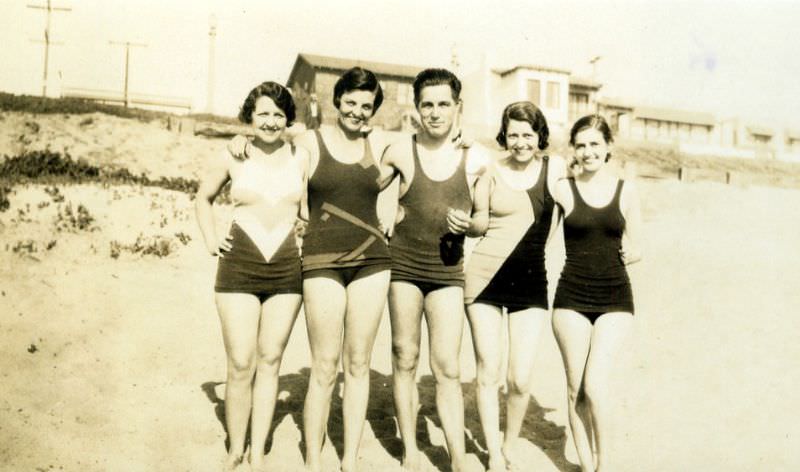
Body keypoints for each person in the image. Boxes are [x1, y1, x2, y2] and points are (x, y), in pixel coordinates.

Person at [229, 67, 393, 472]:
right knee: (323, 365)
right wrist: (240, 139)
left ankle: (350, 459)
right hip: (320, 260)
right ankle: (315, 460)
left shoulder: (386, 142)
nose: (357, 112)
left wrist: (460, 137)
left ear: (374, 109)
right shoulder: (307, 141)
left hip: (373, 260)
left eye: (366, 106)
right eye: (350, 103)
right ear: (336, 102)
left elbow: (431, 148)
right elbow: (267, 143)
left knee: (358, 363)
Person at [378, 68, 490, 472]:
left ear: (458, 107)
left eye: (444, 103)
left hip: (447, 272)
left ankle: (457, 457)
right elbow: (362, 185)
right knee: (404, 356)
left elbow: (483, 219)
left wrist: (469, 225)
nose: (435, 112)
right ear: (417, 107)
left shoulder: (475, 156)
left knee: (447, 366)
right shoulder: (399, 150)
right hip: (403, 267)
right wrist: (384, 214)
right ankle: (410, 451)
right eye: (428, 104)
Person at [195, 81, 307, 472]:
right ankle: (235, 449)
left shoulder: (301, 155)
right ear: (249, 116)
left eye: (279, 114)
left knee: (271, 360)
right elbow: (202, 198)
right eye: (262, 113)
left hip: (286, 268)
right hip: (239, 265)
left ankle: (258, 451)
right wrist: (211, 240)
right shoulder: (232, 155)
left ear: (288, 119)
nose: (271, 121)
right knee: (241, 363)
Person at [463, 101, 566, 471]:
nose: (520, 142)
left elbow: (570, 213)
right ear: (504, 135)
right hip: (484, 277)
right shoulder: (489, 170)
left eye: (527, 134)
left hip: (531, 280)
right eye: (513, 134)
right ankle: (493, 454)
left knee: (520, 378)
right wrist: (465, 224)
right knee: (488, 371)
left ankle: (509, 443)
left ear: (539, 136)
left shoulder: (556, 171)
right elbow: (480, 223)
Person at [551, 114, 642, 472]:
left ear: (608, 148)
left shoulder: (626, 190)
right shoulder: (563, 188)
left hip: (615, 298)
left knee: (595, 384)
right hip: (570, 296)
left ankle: (606, 465)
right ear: (573, 149)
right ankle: (587, 466)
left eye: (595, 144)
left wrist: (632, 253)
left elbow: (638, 246)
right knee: (575, 388)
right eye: (581, 144)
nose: (588, 152)